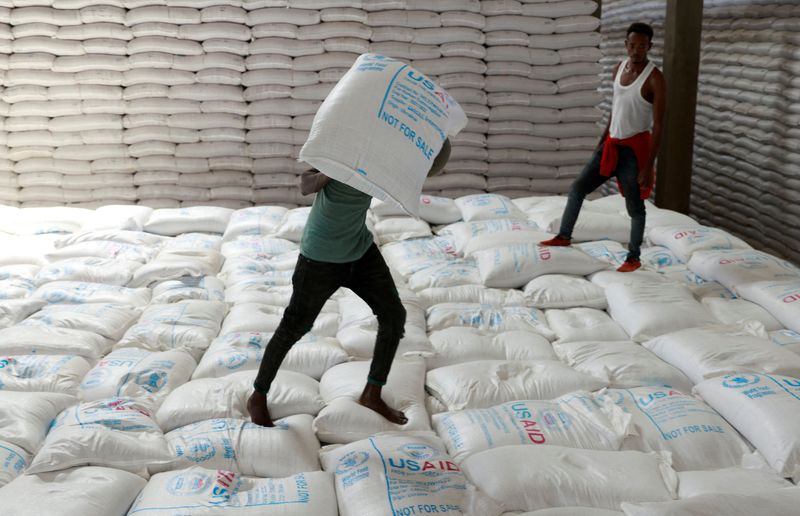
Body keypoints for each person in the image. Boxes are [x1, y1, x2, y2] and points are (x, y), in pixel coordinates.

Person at [247, 139, 451, 427]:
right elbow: (305, 185)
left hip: (359, 248)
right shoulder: (344, 148)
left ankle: (372, 392)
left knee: (394, 315)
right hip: (320, 256)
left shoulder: (386, 159)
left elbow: (420, 171)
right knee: (294, 326)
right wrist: (333, 172)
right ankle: (258, 395)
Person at [540, 22, 666, 273]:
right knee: (577, 188)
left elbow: (660, 126)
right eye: (632, 45)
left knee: (635, 206)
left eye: (642, 46)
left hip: (634, 151)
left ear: (650, 47)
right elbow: (615, 109)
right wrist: (601, 142)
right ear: (625, 45)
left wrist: (648, 167)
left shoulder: (655, 78)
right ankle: (564, 235)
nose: (636, 50)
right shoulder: (618, 69)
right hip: (611, 144)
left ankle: (633, 257)